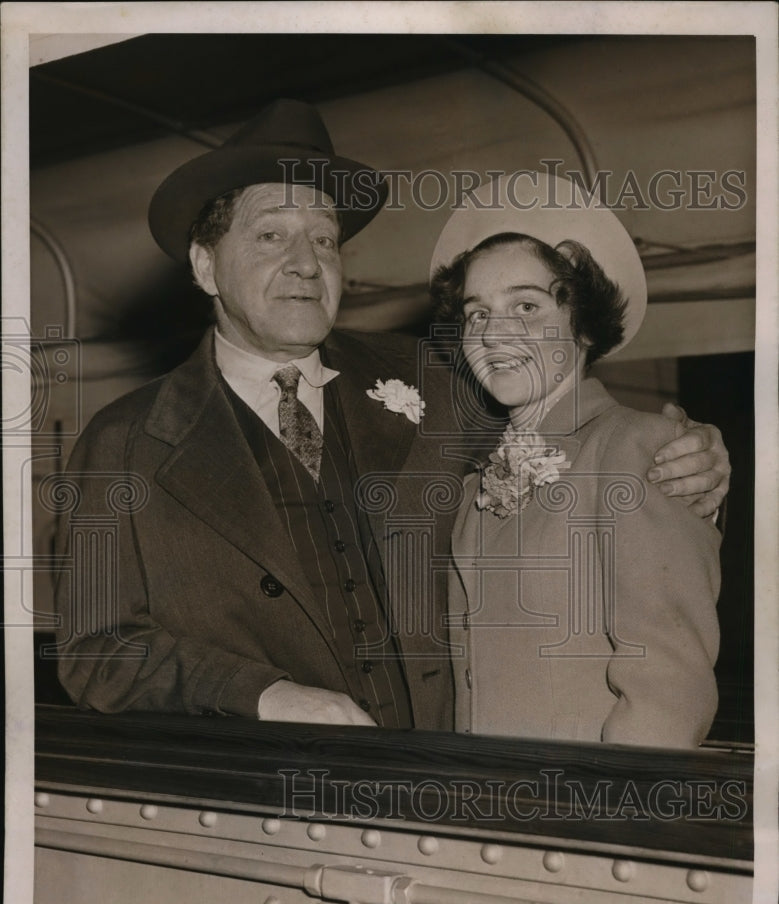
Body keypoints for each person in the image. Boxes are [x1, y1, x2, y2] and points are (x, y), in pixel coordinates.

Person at [54, 99, 730, 732]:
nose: (305, 265)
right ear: (206, 266)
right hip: (265, 798)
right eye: (270, 236)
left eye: (323, 241)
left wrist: (691, 455)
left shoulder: (434, 378)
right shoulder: (124, 441)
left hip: (447, 778)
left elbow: (573, 440)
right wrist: (260, 693)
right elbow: (97, 655)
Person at [431, 174, 722, 748]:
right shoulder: (473, 486)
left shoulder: (636, 447)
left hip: (577, 812)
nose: (496, 334)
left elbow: (668, 688)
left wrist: (604, 818)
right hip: (480, 806)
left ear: (582, 326)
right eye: (477, 314)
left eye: (526, 305)